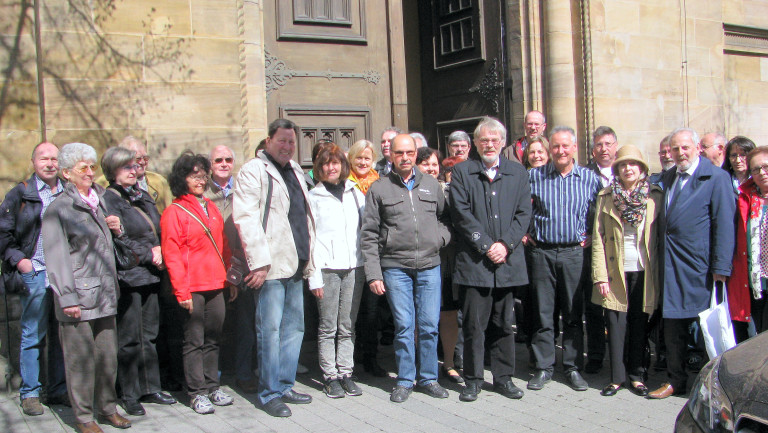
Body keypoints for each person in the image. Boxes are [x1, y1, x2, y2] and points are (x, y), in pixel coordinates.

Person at [42, 142, 131, 433]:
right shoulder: (59, 209)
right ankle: (83, 417)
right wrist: (67, 297)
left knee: (107, 358)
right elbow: (56, 257)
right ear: (67, 173)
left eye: (92, 167)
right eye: (83, 168)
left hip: (105, 292)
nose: (90, 172)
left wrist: (118, 229)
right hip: (77, 297)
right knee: (80, 362)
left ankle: (107, 408)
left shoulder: (101, 199)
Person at [232, 118, 316, 418]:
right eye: (282, 140)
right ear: (268, 140)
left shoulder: (295, 170)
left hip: (296, 262)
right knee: (270, 331)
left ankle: (284, 384)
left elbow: (304, 216)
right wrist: (259, 263)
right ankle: (268, 393)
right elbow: (245, 218)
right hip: (270, 266)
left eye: (291, 142)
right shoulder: (254, 170)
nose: (287, 146)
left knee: (294, 329)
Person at [361, 133, 451, 403]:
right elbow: (369, 234)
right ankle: (404, 379)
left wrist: (439, 239)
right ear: (390, 155)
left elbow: (445, 219)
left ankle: (428, 378)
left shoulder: (431, 185)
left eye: (409, 153)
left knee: (428, 325)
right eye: (398, 153)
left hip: (429, 265)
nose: (404, 157)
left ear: (416, 154)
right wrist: (374, 273)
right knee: (403, 325)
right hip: (395, 266)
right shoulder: (379, 189)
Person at [648, 128, 735, 399]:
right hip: (670, 266)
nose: (680, 153)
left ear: (697, 148)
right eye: (675, 149)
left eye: (685, 148)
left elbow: (724, 224)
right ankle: (675, 379)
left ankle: (714, 386)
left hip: (700, 267)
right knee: (672, 327)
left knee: (704, 329)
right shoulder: (668, 177)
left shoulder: (716, 178)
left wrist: (721, 268)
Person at [450, 117, 532, 402]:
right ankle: (473, 379)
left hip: (506, 264)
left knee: (503, 323)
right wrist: (486, 245)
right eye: (484, 140)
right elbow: (460, 213)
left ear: (502, 142)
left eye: (495, 140)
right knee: (473, 325)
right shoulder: (462, 172)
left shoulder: (518, 173)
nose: (489, 144)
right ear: (475, 143)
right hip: (475, 264)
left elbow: (524, 214)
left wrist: (505, 245)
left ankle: (503, 378)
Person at [101, 147, 176, 416]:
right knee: (130, 337)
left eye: (135, 166)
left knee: (150, 334)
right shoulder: (107, 199)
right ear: (113, 171)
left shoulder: (142, 195)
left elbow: (157, 228)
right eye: (127, 167)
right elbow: (118, 240)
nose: (134, 171)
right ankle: (130, 392)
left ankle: (151, 386)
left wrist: (162, 250)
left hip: (152, 274)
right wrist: (150, 254)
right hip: (129, 275)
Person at [526, 126, 601, 392]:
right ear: (550, 150)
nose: (560, 151)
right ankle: (544, 367)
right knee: (543, 313)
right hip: (542, 252)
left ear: (574, 148)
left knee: (572, 313)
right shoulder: (533, 176)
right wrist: (524, 233)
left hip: (574, 253)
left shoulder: (590, 179)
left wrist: (593, 232)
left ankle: (571, 367)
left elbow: (601, 210)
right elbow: (519, 207)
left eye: (565, 146)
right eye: (555, 146)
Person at [161, 152, 236, 414]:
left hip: (216, 282)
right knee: (193, 341)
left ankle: (213, 385)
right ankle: (197, 392)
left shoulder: (211, 207)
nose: (201, 180)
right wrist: (181, 291)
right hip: (192, 286)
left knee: (214, 338)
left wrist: (230, 278)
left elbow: (224, 246)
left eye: (203, 175)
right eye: (194, 175)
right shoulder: (174, 211)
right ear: (182, 179)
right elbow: (172, 253)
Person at [0, 142, 68, 415]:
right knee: (32, 335)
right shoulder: (20, 194)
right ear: (33, 162)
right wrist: (21, 261)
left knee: (61, 334)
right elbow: (3, 234)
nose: (50, 163)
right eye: (44, 158)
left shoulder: (68, 191)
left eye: (54, 158)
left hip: (63, 275)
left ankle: (59, 389)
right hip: (36, 272)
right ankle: (30, 393)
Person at [591, 145, 662, 397]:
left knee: (639, 324)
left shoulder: (654, 196)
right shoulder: (606, 196)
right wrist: (600, 275)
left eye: (633, 164)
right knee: (616, 325)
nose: (628, 168)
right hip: (615, 270)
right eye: (622, 164)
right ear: (617, 170)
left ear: (642, 169)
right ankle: (616, 378)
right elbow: (598, 238)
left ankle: (637, 375)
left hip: (645, 270)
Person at [307, 144, 365, 398]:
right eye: (326, 164)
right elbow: (309, 239)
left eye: (336, 163)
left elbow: (366, 231)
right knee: (328, 325)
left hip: (354, 267)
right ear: (319, 168)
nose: (332, 167)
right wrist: (314, 276)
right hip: (327, 269)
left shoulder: (355, 193)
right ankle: (330, 375)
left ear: (343, 165)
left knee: (348, 324)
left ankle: (346, 372)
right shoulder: (313, 197)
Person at [203, 145, 258, 394]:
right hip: (212, 266)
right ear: (210, 165)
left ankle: (244, 373)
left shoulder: (244, 189)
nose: (224, 163)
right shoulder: (202, 193)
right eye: (218, 160)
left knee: (245, 323)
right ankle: (212, 376)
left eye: (228, 159)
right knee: (215, 324)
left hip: (242, 265)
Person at [416, 148, 463, 385]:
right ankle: (422, 361)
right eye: (425, 164)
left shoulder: (450, 191)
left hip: (447, 261)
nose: (431, 168)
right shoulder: (411, 191)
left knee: (448, 313)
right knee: (420, 315)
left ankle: (450, 363)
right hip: (420, 261)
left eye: (434, 164)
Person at [582, 126, 619, 375]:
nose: (603, 149)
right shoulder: (584, 175)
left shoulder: (627, 171)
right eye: (598, 145)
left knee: (621, 306)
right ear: (593, 149)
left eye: (607, 144)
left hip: (620, 248)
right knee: (594, 306)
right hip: (592, 249)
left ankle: (623, 356)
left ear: (615, 145)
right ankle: (595, 354)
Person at [728, 146, 768, 343]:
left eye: (766, 167)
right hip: (756, 281)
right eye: (756, 169)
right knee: (760, 336)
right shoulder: (746, 198)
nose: (762, 173)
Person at [95, 136, 172, 213]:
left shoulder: (159, 182)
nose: (142, 162)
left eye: (145, 158)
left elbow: (169, 213)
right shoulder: (102, 184)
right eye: (137, 159)